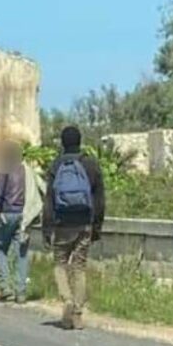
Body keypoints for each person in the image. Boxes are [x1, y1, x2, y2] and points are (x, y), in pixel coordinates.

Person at [42, 126, 105, 330]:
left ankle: (66, 299)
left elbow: (49, 200)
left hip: (62, 224)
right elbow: (100, 199)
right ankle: (77, 312)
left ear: (62, 142)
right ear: (80, 141)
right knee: (79, 267)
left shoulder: (56, 165)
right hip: (84, 223)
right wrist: (96, 226)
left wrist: (47, 228)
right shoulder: (90, 164)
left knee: (60, 264)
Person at [0, 142, 30, 303]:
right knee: (21, 252)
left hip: (7, 212)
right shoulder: (26, 170)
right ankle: (21, 292)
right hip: (23, 214)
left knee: (0, 248)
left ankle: (5, 287)